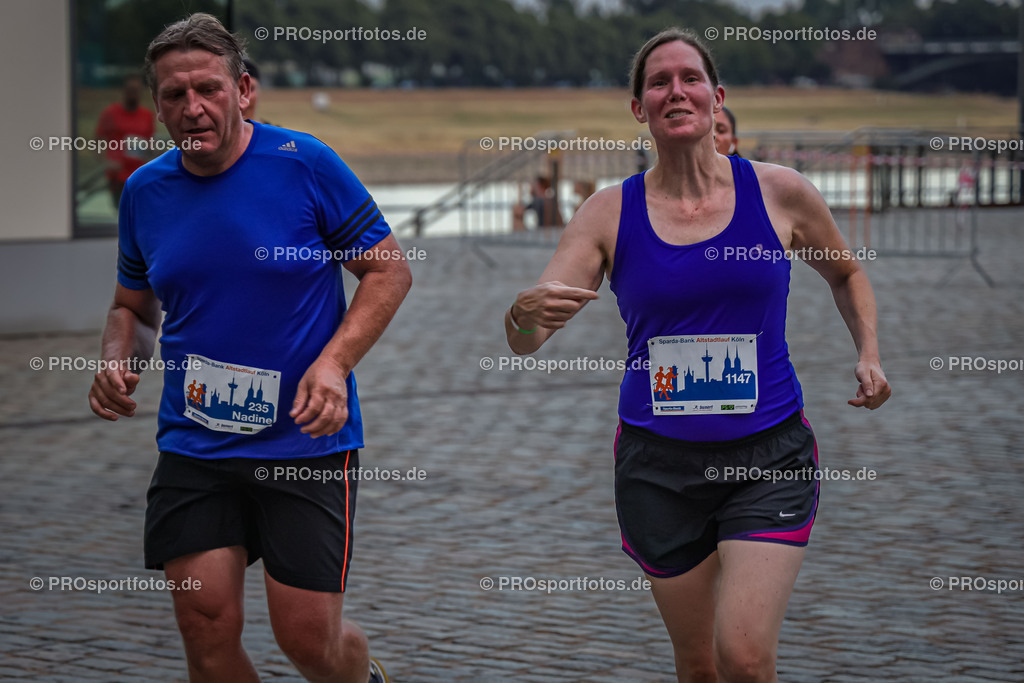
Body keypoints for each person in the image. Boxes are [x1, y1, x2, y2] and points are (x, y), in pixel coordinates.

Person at [504, 27, 890, 683]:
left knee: (744, 656)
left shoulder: (780, 192)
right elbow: (530, 336)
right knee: (699, 662)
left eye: (690, 78)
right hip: (659, 466)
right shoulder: (607, 213)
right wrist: (519, 313)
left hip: (768, 455)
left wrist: (869, 352)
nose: (675, 91)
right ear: (639, 108)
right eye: (659, 82)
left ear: (718, 97)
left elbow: (847, 273)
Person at [87, 13, 410, 683]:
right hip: (195, 444)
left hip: (304, 445)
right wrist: (118, 359)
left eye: (208, 89)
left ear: (242, 91)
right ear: (157, 107)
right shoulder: (145, 192)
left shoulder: (306, 164)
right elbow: (132, 307)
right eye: (174, 95)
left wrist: (334, 363)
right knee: (204, 627)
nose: (192, 107)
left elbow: (388, 270)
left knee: (309, 642)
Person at [95, 74, 156, 208]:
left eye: (137, 90)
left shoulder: (147, 115)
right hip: (118, 176)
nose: (133, 94)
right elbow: (97, 141)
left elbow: (150, 145)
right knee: (122, 212)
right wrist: (106, 162)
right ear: (124, 91)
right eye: (130, 90)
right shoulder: (111, 113)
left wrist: (150, 160)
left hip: (139, 174)